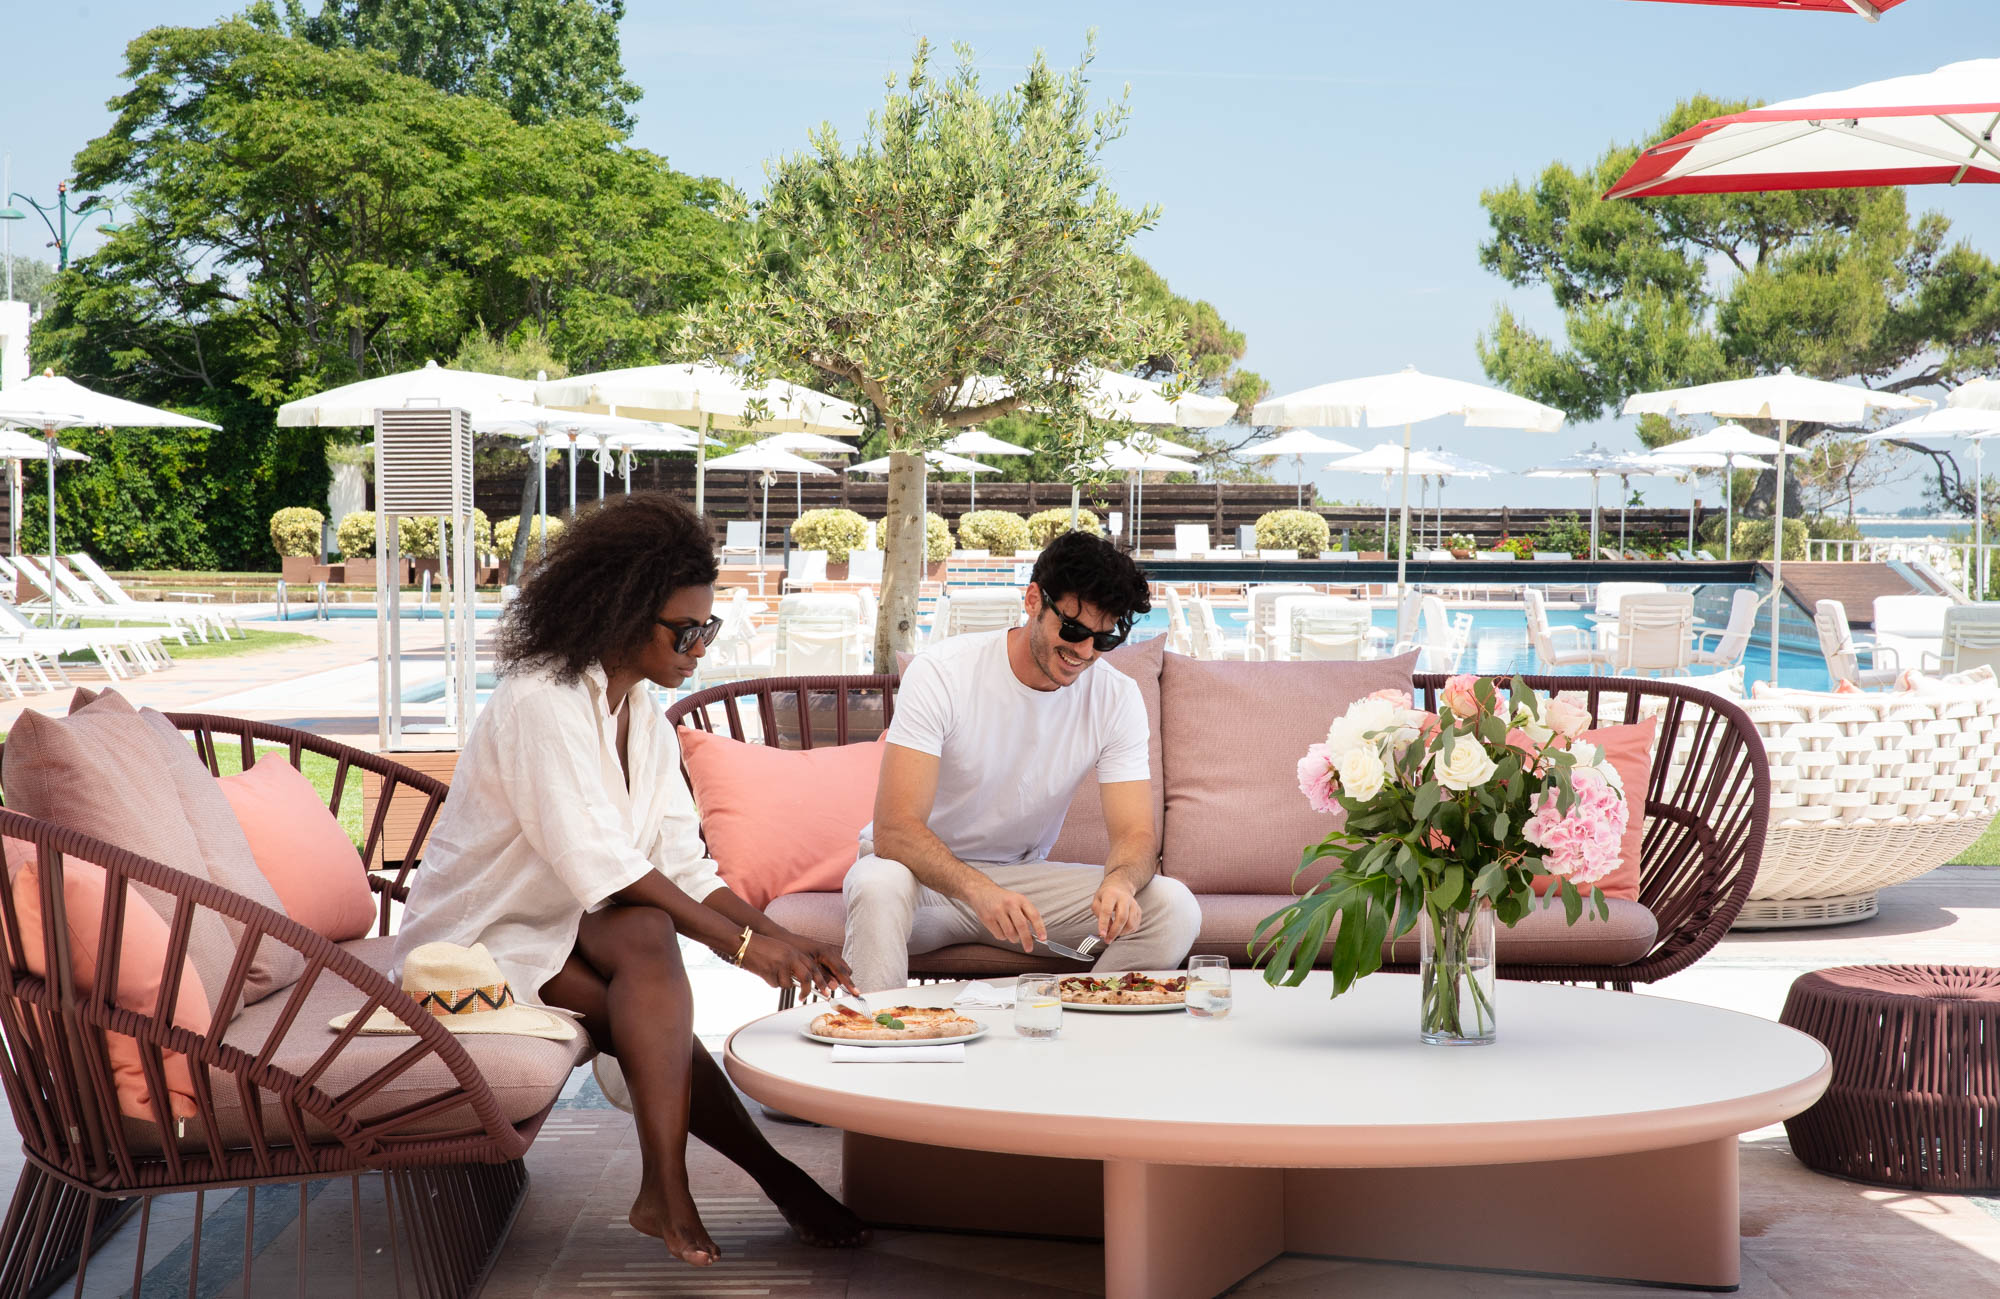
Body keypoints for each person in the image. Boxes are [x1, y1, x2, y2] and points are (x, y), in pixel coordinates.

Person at [393, 494, 867, 1269]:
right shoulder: (541, 699)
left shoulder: (641, 713)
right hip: (481, 935)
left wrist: (790, 940)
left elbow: (681, 863)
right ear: (618, 611)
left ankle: (677, 1187)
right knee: (644, 980)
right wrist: (745, 946)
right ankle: (726, 1181)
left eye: (707, 628)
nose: (700, 648)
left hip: (569, 920)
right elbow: (602, 865)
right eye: (685, 630)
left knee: (646, 940)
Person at [844, 530, 1201, 992]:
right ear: (1033, 599)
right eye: (1072, 630)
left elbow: (1135, 834)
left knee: (1173, 906)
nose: (1085, 653)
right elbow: (894, 829)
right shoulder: (943, 673)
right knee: (876, 885)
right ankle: (883, 1039)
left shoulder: (1116, 697)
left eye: (1103, 639)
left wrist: (1121, 883)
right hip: (917, 884)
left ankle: (1083, 1031)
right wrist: (979, 891)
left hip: (1020, 885)